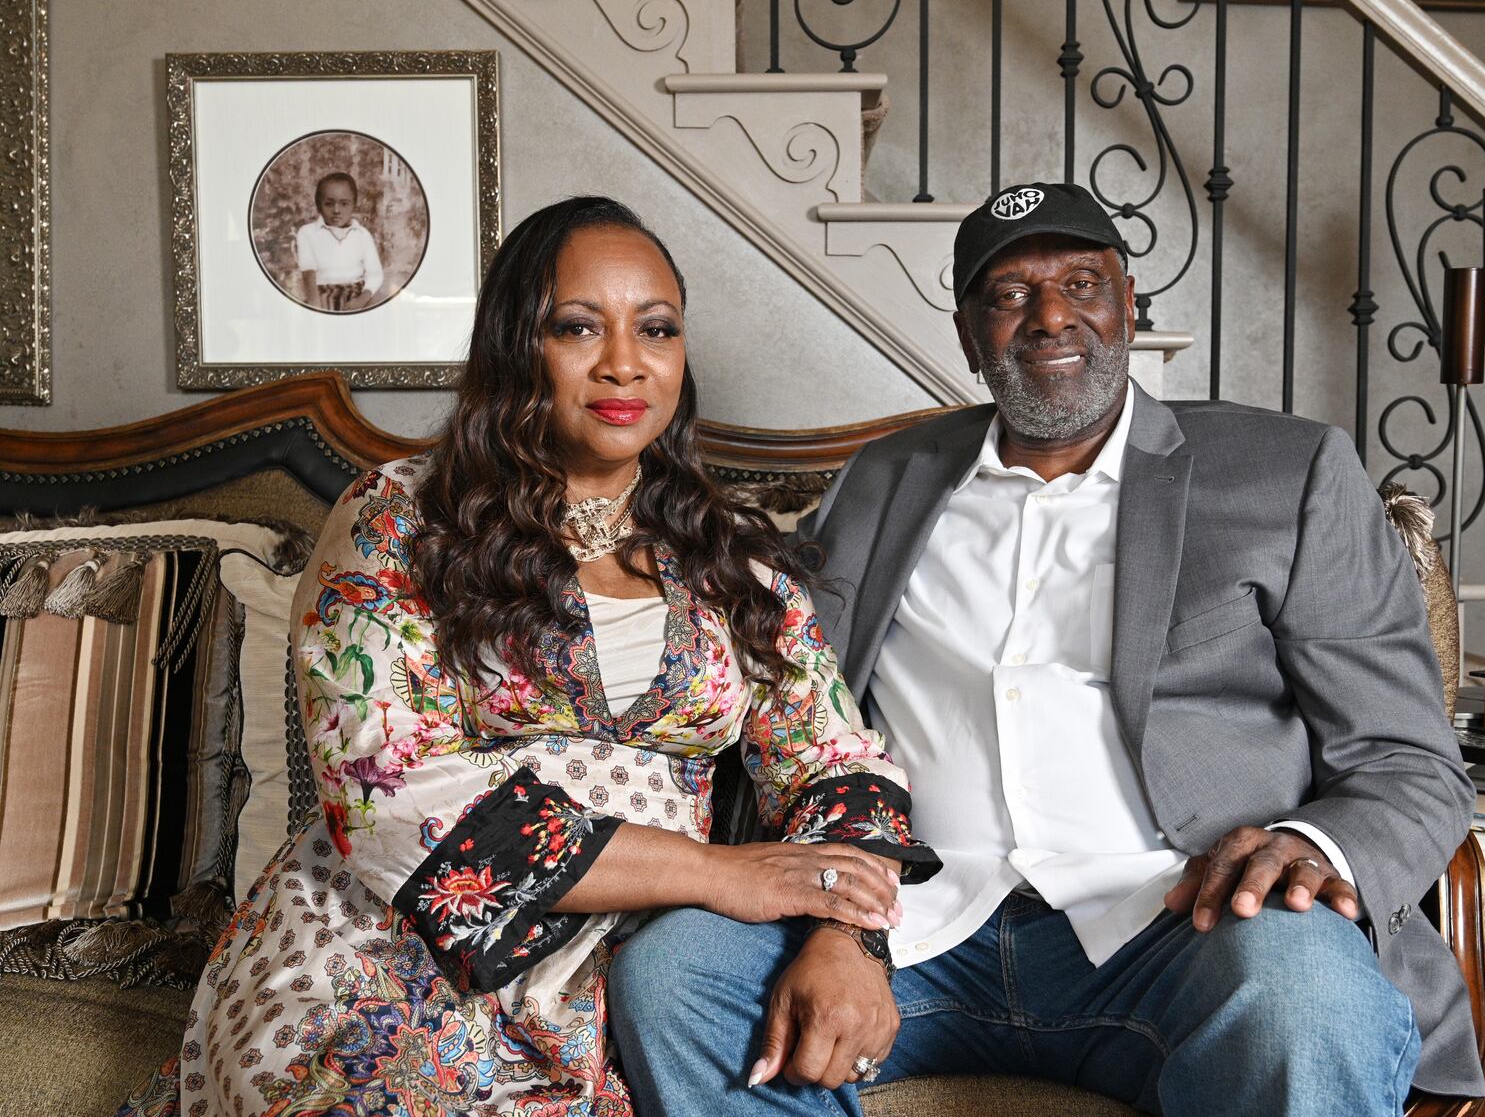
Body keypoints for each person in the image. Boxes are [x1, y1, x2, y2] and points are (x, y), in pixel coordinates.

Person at [609, 182, 1483, 1117]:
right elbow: (779, 681)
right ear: (966, 332)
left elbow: (1409, 759)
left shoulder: (1284, 473)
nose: (1051, 316)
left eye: (1081, 282)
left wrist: (1311, 846)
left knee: (1304, 995)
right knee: (678, 972)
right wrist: (834, 905)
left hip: (1180, 924)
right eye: (1010, 294)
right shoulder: (884, 479)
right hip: (919, 927)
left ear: (1129, 303)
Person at [115, 196, 938, 1117]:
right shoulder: (401, 518)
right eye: (577, 326)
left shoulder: (727, 554)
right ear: (516, 344)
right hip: (398, 941)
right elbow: (388, 793)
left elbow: (838, 760)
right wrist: (720, 872)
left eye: (656, 329)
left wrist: (840, 929)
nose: (625, 362)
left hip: (640, 958)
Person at [294, 171, 385, 311]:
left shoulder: (362, 234)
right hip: (322, 295)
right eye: (329, 204)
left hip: (358, 295)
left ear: (354, 204)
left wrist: (362, 299)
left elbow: (375, 273)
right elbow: (308, 273)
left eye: (344, 204)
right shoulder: (308, 233)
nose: (336, 210)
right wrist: (316, 308)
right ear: (319, 205)